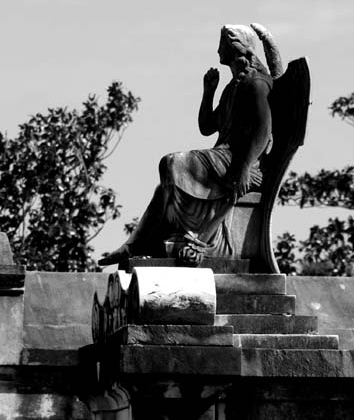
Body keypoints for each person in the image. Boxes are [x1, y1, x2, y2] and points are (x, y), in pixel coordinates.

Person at [99, 24, 276, 266]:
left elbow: (263, 131)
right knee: (163, 191)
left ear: (236, 48)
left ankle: (191, 238)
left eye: (221, 45)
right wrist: (208, 92)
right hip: (223, 157)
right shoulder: (232, 87)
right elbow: (207, 126)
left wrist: (244, 167)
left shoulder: (256, 83)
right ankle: (137, 244)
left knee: (172, 163)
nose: (217, 51)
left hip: (239, 162)